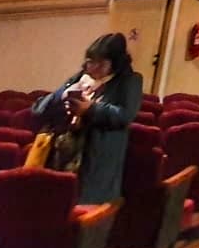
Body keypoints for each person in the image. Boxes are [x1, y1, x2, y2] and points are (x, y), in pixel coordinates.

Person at [31, 32, 142, 203]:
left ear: (116, 63)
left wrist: (90, 109)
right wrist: (63, 95)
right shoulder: (80, 77)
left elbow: (125, 115)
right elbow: (39, 109)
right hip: (63, 154)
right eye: (91, 61)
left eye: (101, 63)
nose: (93, 68)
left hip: (97, 161)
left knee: (86, 209)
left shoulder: (130, 80)